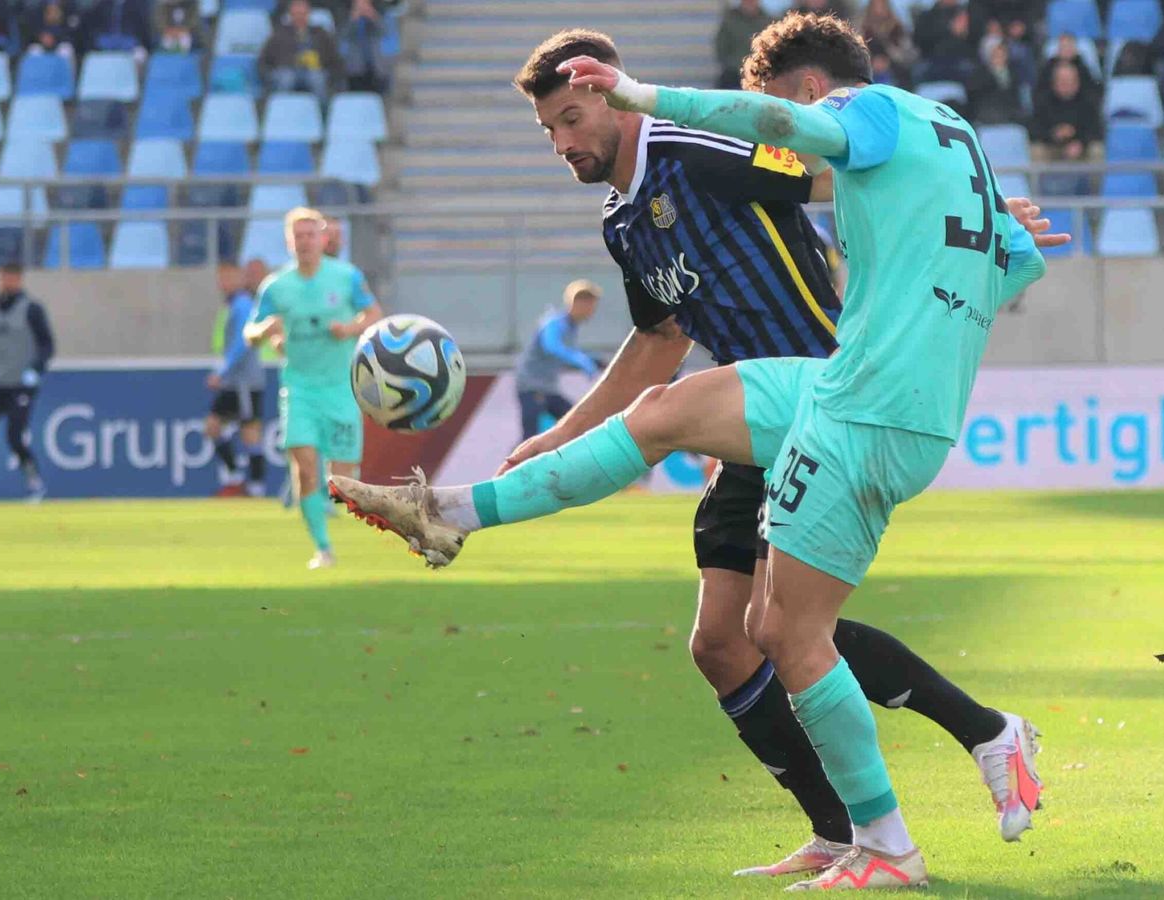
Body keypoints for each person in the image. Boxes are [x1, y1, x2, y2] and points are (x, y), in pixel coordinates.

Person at [330, 13, 1066, 890]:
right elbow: (659, 338)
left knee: (787, 629)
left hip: (837, 389)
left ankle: (917, 811)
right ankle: (851, 827)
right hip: (772, 400)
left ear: (607, 92)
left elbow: (804, 160)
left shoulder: (720, 141)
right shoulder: (626, 217)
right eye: (549, 130)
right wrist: (563, 434)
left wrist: (961, 206)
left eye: (572, 118)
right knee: (724, 631)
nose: (561, 143)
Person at [245, 209, 381, 568]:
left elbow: (374, 316)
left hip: (340, 388)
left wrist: (349, 329)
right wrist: (265, 332)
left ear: (323, 239)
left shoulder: (346, 277)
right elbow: (251, 331)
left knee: (343, 483)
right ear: (289, 242)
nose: (305, 242)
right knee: (304, 468)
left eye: (311, 235)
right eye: (298, 236)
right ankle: (323, 549)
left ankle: (335, 497)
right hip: (299, 388)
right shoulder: (276, 287)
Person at [0, 263, 53, 502]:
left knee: (14, 436)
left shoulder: (32, 309)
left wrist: (35, 370)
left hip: (20, 385)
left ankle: (35, 482)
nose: (9, 282)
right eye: (6, 278)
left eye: (13, 278)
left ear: (20, 280)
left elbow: (47, 344)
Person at [206, 262, 268, 498]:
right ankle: (236, 479)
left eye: (229, 277)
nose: (224, 283)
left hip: (245, 381)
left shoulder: (242, 304)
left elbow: (243, 342)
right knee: (213, 427)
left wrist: (222, 372)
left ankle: (255, 487)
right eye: (221, 278)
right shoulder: (233, 305)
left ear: (239, 279)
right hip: (235, 381)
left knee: (250, 432)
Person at [514, 280, 601, 441]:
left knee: (578, 424)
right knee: (529, 438)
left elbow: (567, 351)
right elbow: (552, 347)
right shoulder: (554, 323)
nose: (592, 311)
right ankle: (514, 466)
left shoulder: (572, 327)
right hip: (531, 387)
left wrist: (593, 360)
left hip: (548, 388)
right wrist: (581, 360)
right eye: (590, 305)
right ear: (577, 302)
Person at [257, 0, 344, 101]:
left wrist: (331, 75)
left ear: (309, 14)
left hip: (315, 70)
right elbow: (263, 61)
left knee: (317, 78)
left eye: (303, 14)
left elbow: (335, 60)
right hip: (286, 70)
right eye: (296, 14)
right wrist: (270, 75)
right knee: (286, 78)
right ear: (290, 15)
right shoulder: (278, 34)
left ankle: (322, 112)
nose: (300, 17)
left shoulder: (321, 34)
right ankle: (280, 110)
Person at [1030, 61, 1101, 161]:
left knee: (1096, 149)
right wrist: (1054, 134)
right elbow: (1034, 130)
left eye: (1070, 81)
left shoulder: (1087, 101)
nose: (1067, 85)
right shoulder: (1043, 101)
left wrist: (1080, 142)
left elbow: (1095, 130)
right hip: (1052, 146)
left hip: (1080, 148)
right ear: (1054, 82)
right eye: (1062, 81)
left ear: (1077, 82)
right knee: (1036, 150)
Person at [715, 0, 773, 89]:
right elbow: (721, 48)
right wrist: (736, 67)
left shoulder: (767, 21)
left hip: (761, 76)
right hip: (734, 76)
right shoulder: (731, 20)